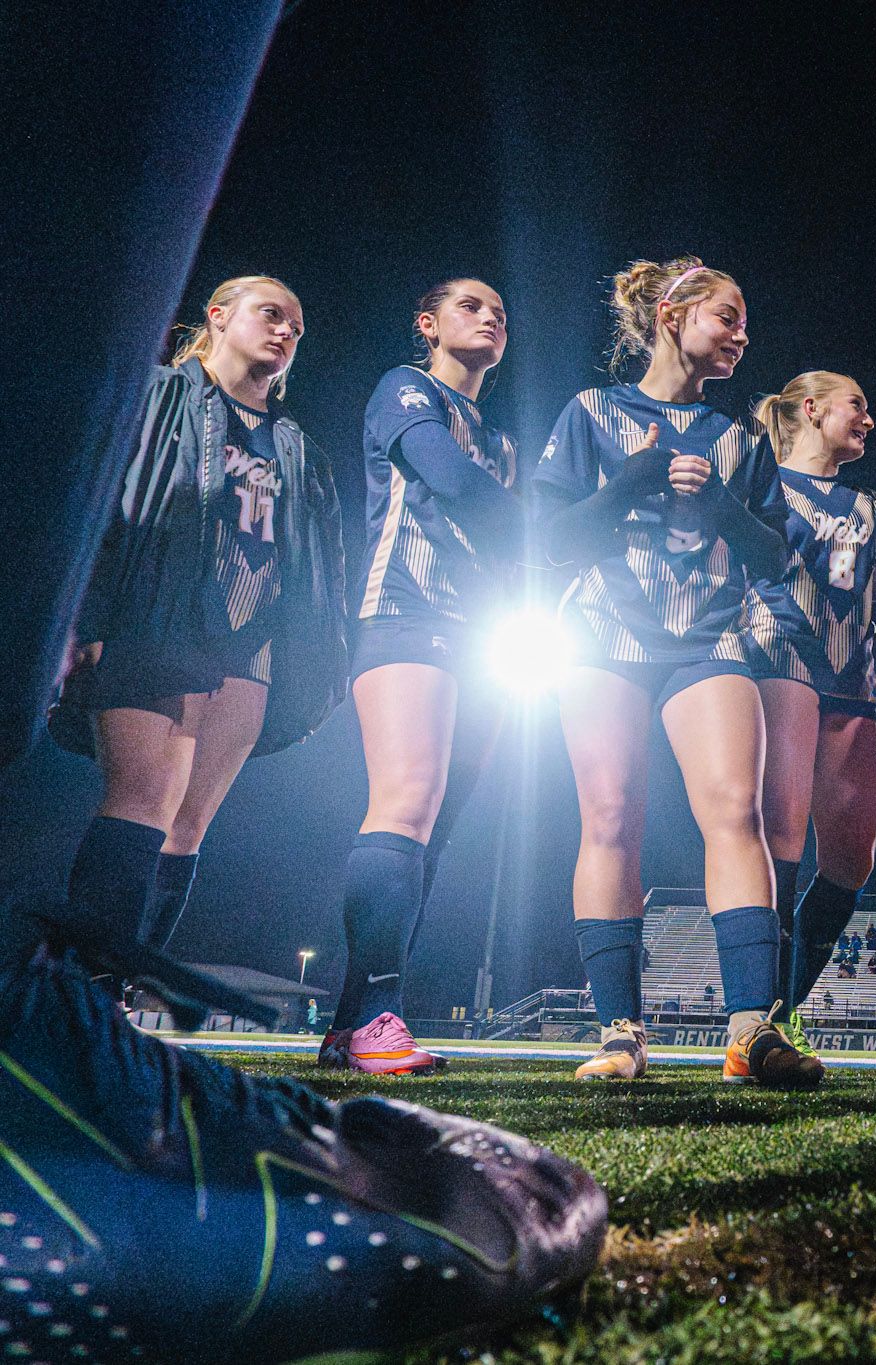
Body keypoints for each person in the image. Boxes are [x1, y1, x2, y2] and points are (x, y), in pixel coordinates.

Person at [532, 256, 819, 1089]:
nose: (741, 334)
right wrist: (632, 479)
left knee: (735, 810)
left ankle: (750, 1030)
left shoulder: (739, 439)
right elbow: (551, 540)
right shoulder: (592, 412)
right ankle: (621, 1031)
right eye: (726, 316)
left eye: (743, 322)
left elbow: (775, 555)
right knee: (609, 814)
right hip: (602, 630)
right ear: (671, 314)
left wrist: (721, 502)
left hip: (708, 636)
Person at [50, 276, 348, 964]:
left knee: (186, 827)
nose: (286, 331)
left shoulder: (297, 445)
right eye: (271, 314)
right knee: (143, 798)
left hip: (253, 642)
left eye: (296, 328)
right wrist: (84, 615)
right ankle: (80, 986)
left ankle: (119, 989)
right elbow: (100, 502)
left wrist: (317, 655)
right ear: (217, 316)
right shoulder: (158, 394)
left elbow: (316, 560)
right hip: (159, 615)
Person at [324, 279, 522, 1077]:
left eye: (499, 312)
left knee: (431, 831)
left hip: (484, 636)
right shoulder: (406, 388)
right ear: (428, 324)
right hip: (407, 609)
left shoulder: (500, 440)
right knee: (404, 803)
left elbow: (507, 542)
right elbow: (453, 480)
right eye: (471, 306)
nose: (490, 316)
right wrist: (566, 527)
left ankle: (349, 1022)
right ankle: (380, 1015)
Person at [744, 371, 876, 1052]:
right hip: (779, 654)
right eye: (857, 406)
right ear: (812, 410)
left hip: (854, 677)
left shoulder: (868, 503)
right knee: (780, 835)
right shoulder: (762, 481)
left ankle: (784, 1005)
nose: (868, 420)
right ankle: (760, 1016)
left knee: (852, 855)